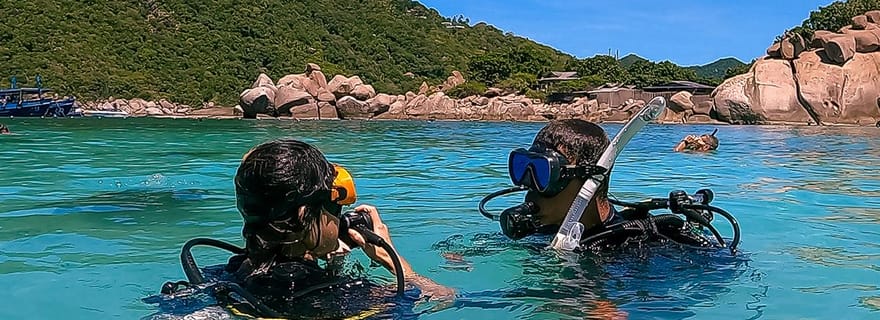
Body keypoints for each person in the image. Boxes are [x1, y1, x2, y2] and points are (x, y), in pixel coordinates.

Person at [155, 138, 454, 319]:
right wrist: (395, 262)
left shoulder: (225, 273)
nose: (339, 218)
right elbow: (443, 298)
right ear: (303, 213)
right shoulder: (349, 296)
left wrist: (324, 261)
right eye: (334, 208)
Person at [480, 119, 724, 251]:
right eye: (524, 168)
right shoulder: (539, 232)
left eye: (544, 173)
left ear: (590, 181)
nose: (530, 186)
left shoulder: (640, 245)